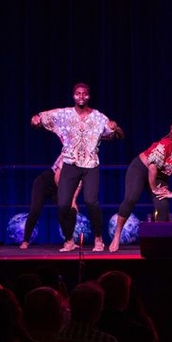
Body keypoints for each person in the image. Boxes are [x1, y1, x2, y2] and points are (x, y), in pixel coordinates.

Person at [31, 82, 124, 253]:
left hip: (90, 165)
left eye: (84, 93)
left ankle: (98, 238)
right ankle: (69, 241)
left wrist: (115, 127)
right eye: (78, 93)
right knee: (63, 205)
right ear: (73, 96)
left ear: (89, 96)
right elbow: (38, 119)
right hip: (70, 164)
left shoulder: (98, 117)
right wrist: (35, 120)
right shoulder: (64, 114)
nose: (81, 96)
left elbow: (118, 135)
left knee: (90, 201)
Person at [110, 118, 172, 252]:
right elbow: (152, 167)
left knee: (163, 206)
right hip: (141, 168)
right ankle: (117, 235)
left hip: (160, 176)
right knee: (131, 198)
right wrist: (153, 188)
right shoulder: (166, 144)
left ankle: (160, 243)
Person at [19, 155, 81, 250]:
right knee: (35, 211)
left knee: (71, 210)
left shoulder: (83, 167)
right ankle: (25, 241)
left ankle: (69, 240)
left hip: (60, 188)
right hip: (45, 183)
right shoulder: (67, 155)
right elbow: (57, 178)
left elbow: (78, 186)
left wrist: (73, 201)